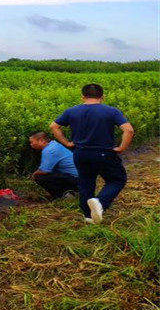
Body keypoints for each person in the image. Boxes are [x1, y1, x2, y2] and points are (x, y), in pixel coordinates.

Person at [50, 83, 134, 224]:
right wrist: (122, 147)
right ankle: (100, 203)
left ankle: (89, 217)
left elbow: (54, 126)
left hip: (80, 153)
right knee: (116, 180)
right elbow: (129, 130)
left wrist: (67, 143)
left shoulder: (71, 111)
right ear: (102, 96)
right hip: (103, 153)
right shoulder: (111, 111)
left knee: (86, 184)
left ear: (83, 96)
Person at [29, 132, 79, 199]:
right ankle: (68, 191)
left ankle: (64, 195)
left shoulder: (49, 150)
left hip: (76, 179)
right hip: (79, 177)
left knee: (39, 177)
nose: (31, 145)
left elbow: (44, 171)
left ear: (42, 140)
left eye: (32, 142)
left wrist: (34, 174)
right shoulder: (53, 144)